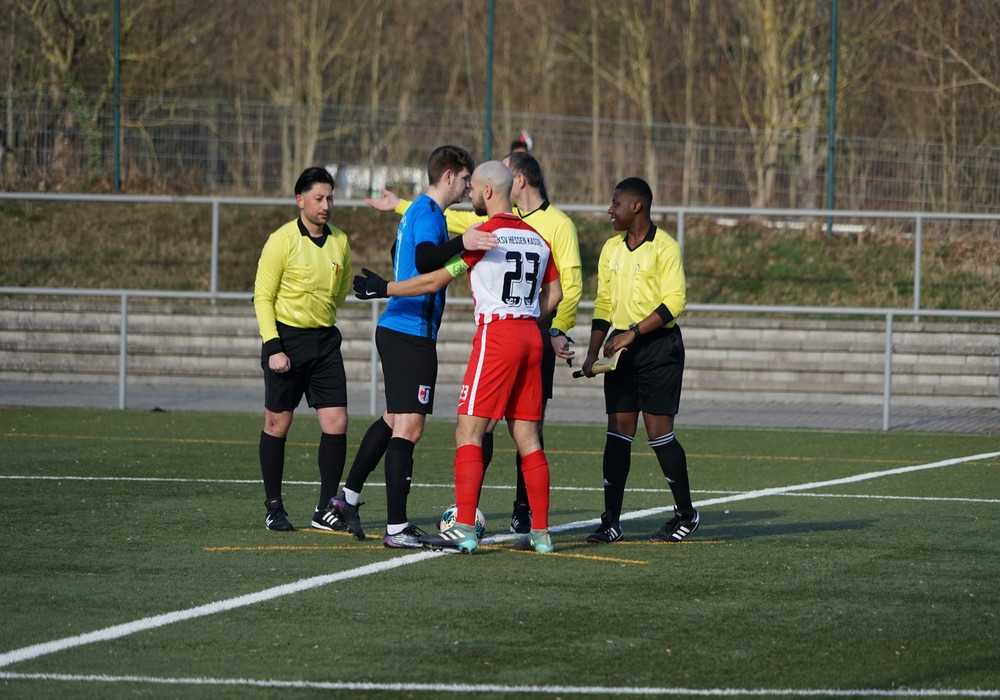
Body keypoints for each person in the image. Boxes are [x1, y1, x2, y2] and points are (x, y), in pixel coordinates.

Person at [364, 151, 580, 535]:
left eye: (474, 188)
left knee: (468, 432)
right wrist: (529, 314)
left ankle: (463, 527)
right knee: (529, 439)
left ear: (488, 190)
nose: (471, 195)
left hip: (498, 336)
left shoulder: (483, 237)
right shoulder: (538, 237)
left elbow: (433, 280)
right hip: (532, 336)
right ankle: (541, 533)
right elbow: (557, 292)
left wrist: (385, 288)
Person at [332, 145, 497, 548]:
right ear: (448, 176)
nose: (467, 187)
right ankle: (396, 529)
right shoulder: (428, 214)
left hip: (400, 328)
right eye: (464, 179)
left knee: (393, 419)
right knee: (410, 427)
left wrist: (458, 253)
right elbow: (424, 261)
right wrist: (463, 242)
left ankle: (347, 499)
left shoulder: (419, 212)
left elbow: (408, 256)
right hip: (411, 332)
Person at [580, 177, 699, 544]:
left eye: (615, 203)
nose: (609, 210)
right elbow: (603, 303)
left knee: (659, 434)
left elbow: (675, 302)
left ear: (637, 207)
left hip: (659, 348)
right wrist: (592, 352)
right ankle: (611, 522)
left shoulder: (666, 247)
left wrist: (633, 332)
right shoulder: (610, 249)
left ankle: (686, 514)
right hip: (620, 351)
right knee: (617, 433)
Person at [252, 166, 352, 532]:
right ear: (300, 200)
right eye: (318, 198)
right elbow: (262, 297)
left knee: (337, 423)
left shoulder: (340, 241)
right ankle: (274, 508)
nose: (326, 205)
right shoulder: (281, 240)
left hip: (325, 343)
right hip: (286, 342)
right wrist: (273, 346)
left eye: (330, 198)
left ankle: (325, 509)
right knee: (277, 423)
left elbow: (340, 291)